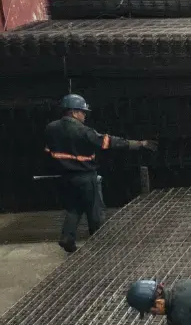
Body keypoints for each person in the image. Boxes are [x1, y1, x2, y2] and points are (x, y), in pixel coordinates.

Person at [44, 94, 155, 254]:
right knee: (94, 209)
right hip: (85, 176)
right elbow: (107, 142)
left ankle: (67, 237)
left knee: (73, 208)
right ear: (74, 112)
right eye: (83, 112)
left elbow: (48, 151)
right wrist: (137, 144)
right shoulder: (83, 131)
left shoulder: (51, 128)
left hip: (65, 177)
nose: (84, 115)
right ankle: (99, 245)